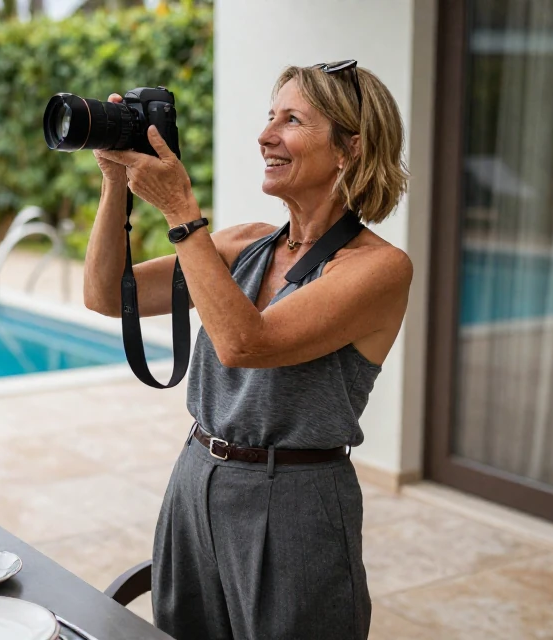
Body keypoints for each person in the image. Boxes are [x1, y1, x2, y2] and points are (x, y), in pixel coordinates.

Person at [82, 60, 411, 640]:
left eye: (292, 120)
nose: (265, 135)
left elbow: (245, 343)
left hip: (294, 499)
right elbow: (108, 295)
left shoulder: (378, 268)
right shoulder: (242, 244)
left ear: (348, 149)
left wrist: (183, 214)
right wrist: (115, 181)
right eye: (269, 116)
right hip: (196, 477)